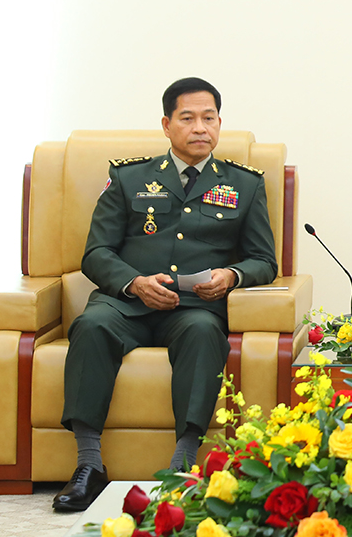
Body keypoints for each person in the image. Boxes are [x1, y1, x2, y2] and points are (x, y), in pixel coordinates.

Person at [53, 77, 278, 512]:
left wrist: (231, 275)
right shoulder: (128, 177)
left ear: (219, 123)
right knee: (91, 325)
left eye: (209, 118)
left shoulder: (244, 184)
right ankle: (88, 465)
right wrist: (135, 282)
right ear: (167, 124)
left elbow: (263, 260)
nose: (200, 128)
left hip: (195, 308)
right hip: (126, 302)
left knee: (203, 333)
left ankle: (184, 463)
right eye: (188, 118)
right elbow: (96, 253)